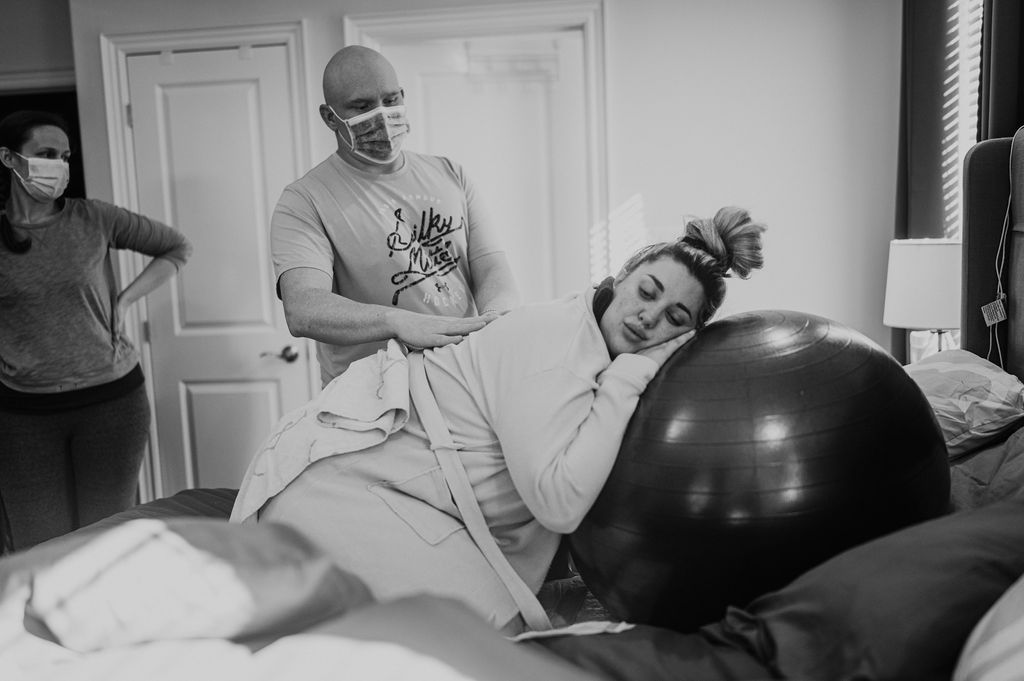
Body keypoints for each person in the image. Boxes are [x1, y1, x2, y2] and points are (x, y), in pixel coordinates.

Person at [232, 207, 766, 633]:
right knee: (484, 641)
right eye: (648, 292)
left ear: (686, 336)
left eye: (675, 317)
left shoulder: (592, 342)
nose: (650, 316)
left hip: (406, 492)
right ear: (620, 278)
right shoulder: (557, 345)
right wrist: (633, 375)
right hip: (342, 488)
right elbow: (558, 504)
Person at [0, 110, 193, 551]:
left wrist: (123, 299)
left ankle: (111, 621)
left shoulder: (94, 219)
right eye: (46, 154)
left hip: (111, 404)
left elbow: (176, 247)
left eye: (64, 156)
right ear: (9, 158)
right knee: (40, 548)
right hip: (22, 418)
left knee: (106, 543)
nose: (59, 165)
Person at [273, 45, 520, 386]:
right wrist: (398, 322)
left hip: (464, 376)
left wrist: (496, 319)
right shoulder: (304, 200)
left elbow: (490, 264)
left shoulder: (450, 173)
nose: (382, 117)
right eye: (362, 107)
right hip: (371, 394)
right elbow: (303, 309)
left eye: (390, 101)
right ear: (330, 117)